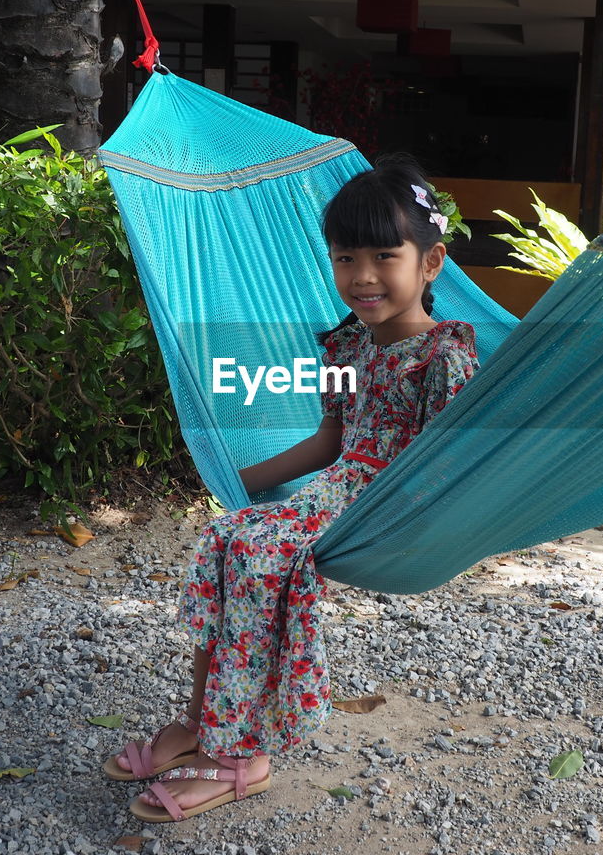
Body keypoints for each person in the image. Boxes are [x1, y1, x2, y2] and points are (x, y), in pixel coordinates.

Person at [103, 156, 480, 823]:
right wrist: (235, 481)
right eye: (344, 258)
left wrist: (405, 532)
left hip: (383, 512)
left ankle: (241, 759)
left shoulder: (444, 361)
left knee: (259, 555)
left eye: (383, 257)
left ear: (430, 263)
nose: (361, 277)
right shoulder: (344, 347)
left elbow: (445, 472)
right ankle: (201, 724)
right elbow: (330, 443)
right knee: (225, 534)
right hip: (333, 492)